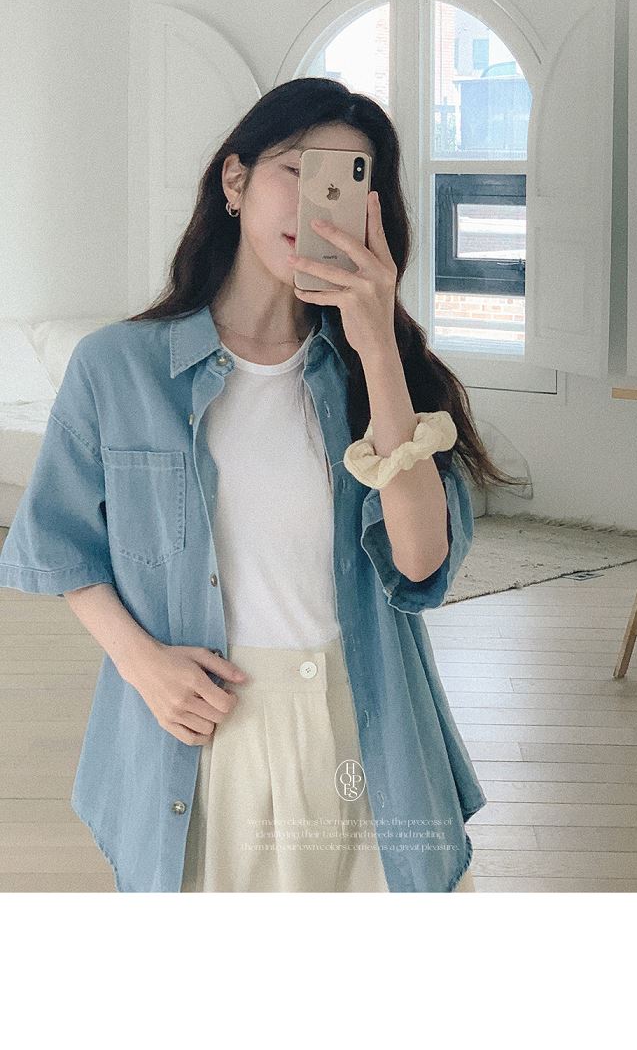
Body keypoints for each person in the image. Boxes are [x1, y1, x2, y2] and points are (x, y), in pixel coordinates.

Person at [0, 77, 524, 893]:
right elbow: (58, 544)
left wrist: (377, 348)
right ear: (235, 181)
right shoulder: (117, 367)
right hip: (202, 733)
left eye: (348, 180)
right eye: (297, 168)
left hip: (361, 727)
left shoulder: (384, 377)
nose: (318, 201)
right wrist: (142, 664)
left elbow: (422, 562)